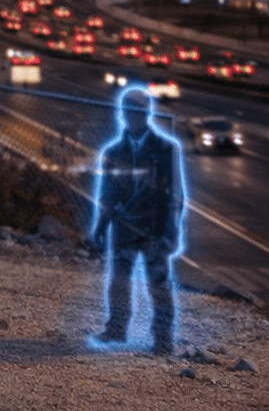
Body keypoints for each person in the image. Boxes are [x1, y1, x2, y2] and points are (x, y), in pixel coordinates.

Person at [92, 87, 186, 355]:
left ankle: (163, 339)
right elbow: (107, 193)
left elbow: (175, 195)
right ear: (123, 114)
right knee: (119, 279)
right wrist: (101, 225)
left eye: (138, 111)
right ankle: (116, 328)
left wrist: (171, 230)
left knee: (158, 283)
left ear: (146, 114)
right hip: (123, 227)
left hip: (153, 228)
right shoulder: (113, 151)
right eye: (128, 111)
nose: (132, 116)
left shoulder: (167, 149)